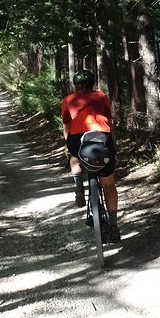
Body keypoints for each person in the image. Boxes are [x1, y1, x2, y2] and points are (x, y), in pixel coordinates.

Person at [61, 69, 120, 241]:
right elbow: (108, 120)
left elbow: (67, 126)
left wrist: (68, 145)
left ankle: (78, 184)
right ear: (93, 83)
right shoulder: (101, 96)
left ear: (75, 85)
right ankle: (114, 225)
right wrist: (112, 143)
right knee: (108, 184)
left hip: (77, 137)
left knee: (73, 153)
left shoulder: (68, 99)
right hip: (101, 136)